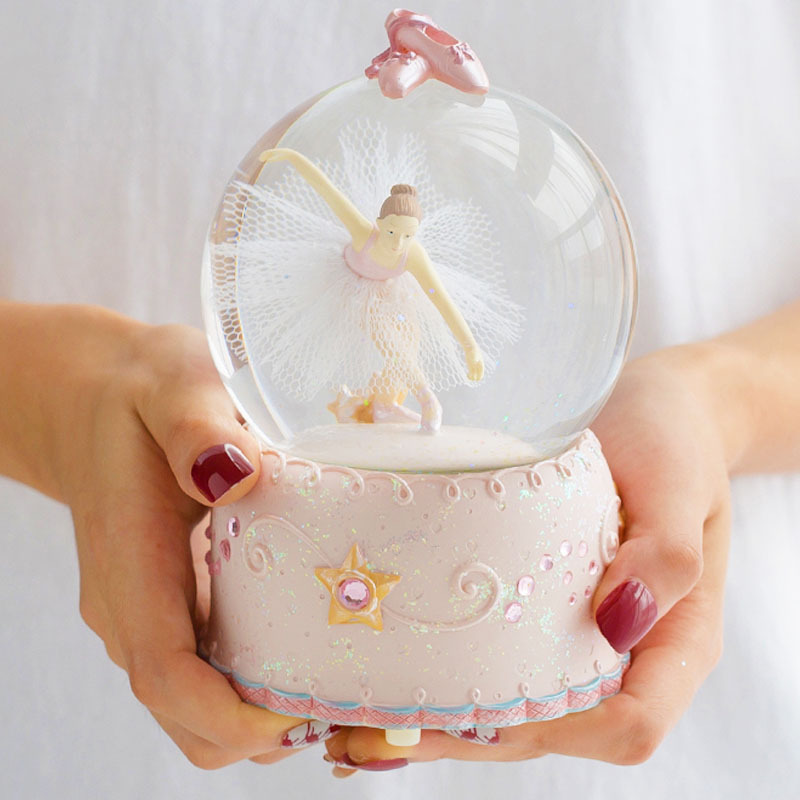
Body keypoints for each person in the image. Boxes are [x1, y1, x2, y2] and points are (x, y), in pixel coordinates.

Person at [1, 2, 799, 798]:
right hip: (78, 706)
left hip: (716, 719)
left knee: (402, 375)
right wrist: (52, 400)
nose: (398, 238)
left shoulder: (414, 258)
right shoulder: (360, 230)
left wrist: (719, 401)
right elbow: (316, 184)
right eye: (393, 229)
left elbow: (442, 302)